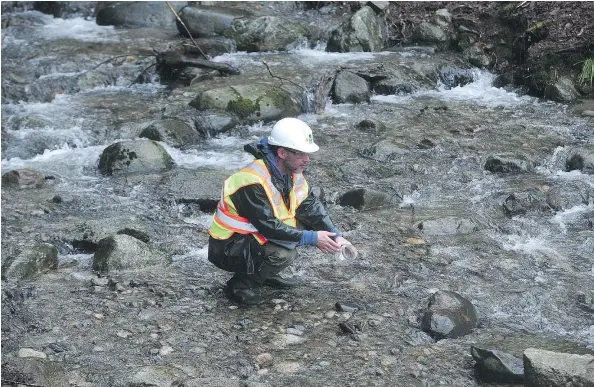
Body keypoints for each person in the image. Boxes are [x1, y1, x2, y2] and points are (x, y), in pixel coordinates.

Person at [208, 117, 353, 305]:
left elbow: (310, 207)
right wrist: (312, 238)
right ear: (282, 153)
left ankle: (264, 274)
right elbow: (268, 226)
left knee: (301, 227)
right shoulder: (251, 181)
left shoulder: (293, 174)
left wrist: (336, 235)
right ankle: (240, 285)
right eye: (301, 154)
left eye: (307, 154)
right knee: (284, 253)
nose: (307, 159)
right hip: (228, 246)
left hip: (251, 237)